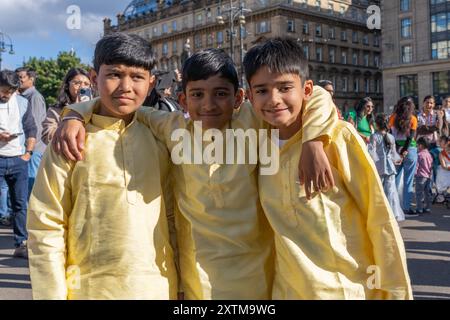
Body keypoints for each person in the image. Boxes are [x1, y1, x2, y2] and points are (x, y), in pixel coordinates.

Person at [53, 48, 338, 299]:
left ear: (239, 97)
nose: (209, 105)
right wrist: (74, 113)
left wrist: (314, 140)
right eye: (197, 95)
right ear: (183, 99)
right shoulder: (174, 129)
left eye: (221, 94)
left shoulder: (252, 121)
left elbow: (318, 96)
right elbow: (131, 110)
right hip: (195, 278)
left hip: (254, 275)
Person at [243, 37, 412, 299]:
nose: (274, 99)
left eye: (285, 87)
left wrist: (395, 292)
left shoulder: (339, 137)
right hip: (287, 291)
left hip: (347, 289)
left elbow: (379, 218)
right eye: (262, 90)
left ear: (306, 90)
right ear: (250, 95)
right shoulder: (256, 141)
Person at [26, 33, 178, 299]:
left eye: (137, 77)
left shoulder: (161, 139)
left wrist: (182, 285)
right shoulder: (70, 141)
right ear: (93, 77)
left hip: (157, 287)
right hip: (89, 289)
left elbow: (173, 219)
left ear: (151, 82)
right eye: (114, 75)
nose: (126, 86)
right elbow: (46, 225)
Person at [0, 70, 37, 258]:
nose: (6, 95)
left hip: (18, 159)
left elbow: (31, 127)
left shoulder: (23, 102)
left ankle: (21, 243)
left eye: (10, 91)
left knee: (20, 204)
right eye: (3, 91)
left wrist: (28, 153)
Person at [15, 67, 47, 196]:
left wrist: (29, 149)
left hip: (34, 150)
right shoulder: (21, 97)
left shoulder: (34, 97)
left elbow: (36, 126)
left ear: (31, 79)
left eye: (21, 77)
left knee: (30, 184)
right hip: (27, 149)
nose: (18, 80)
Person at [368, 114, 404, 221]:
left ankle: (379, 213)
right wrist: (397, 160)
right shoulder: (391, 137)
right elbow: (393, 154)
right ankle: (393, 212)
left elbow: (371, 152)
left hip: (379, 166)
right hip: (390, 166)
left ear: (376, 124)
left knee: (379, 190)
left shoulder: (374, 137)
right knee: (391, 190)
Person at [41, 68, 91, 145]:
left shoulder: (96, 108)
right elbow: (47, 136)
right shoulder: (55, 110)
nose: (82, 87)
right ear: (67, 85)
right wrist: (74, 111)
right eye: (77, 83)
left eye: (86, 84)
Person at [389, 97, 418, 217]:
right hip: (410, 150)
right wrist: (405, 151)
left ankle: (393, 207)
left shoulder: (392, 118)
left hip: (396, 149)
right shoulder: (413, 119)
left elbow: (390, 137)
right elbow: (410, 137)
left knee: (394, 179)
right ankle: (406, 207)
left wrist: (397, 151)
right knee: (408, 180)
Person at [415, 137, 433, 214]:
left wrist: (414, 174)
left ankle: (419, 209)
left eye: (417, 145)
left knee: (419, 193)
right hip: (428, 176)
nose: (417, 146)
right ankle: (428, 208)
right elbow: (431, 166)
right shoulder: (429, 155)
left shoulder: (419, 155)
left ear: (421, 145)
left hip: (420, 176)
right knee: (427, 193)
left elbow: (416, 166)